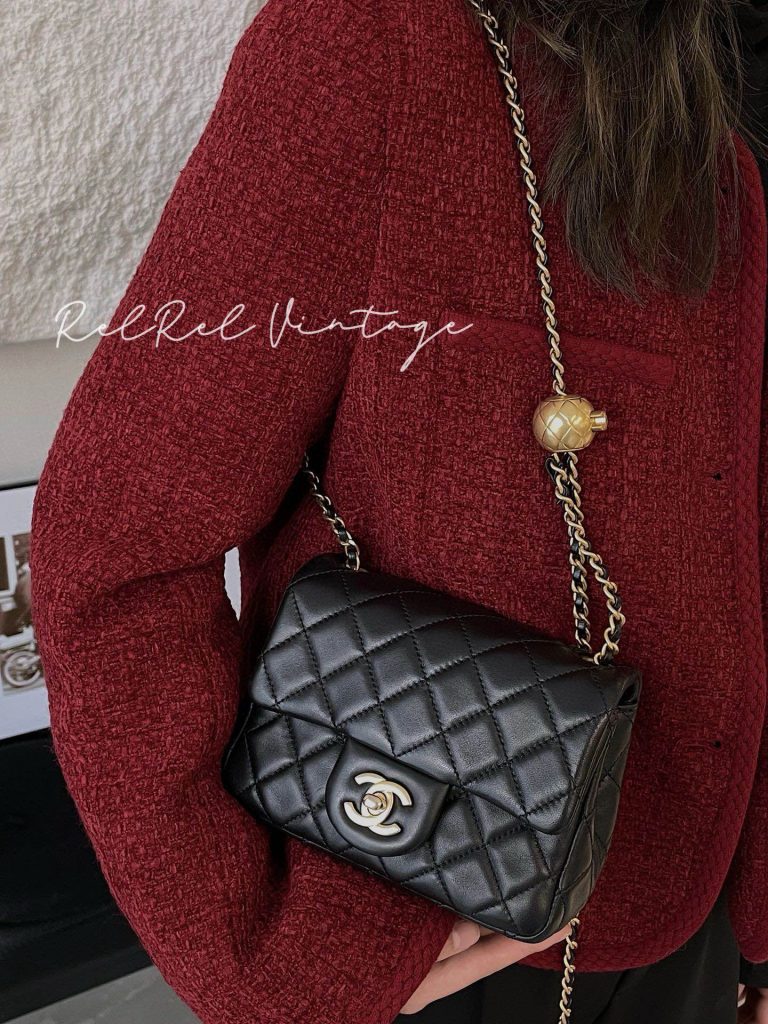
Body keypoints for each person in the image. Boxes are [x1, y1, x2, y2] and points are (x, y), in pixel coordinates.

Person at [28, 1, 768, 1022]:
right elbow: (119, 536)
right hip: (442, 914)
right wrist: (265, 959)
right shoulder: (384, 44)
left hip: (709, 913)